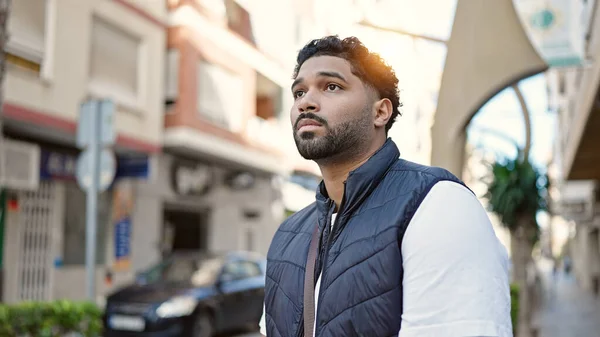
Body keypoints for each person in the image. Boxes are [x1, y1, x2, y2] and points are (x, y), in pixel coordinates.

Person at [259, 36, 512, 337]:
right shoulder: (288, 234)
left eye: (331, 86)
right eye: (299, 92)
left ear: (380, 112)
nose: (305, 102)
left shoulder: (438, 204)